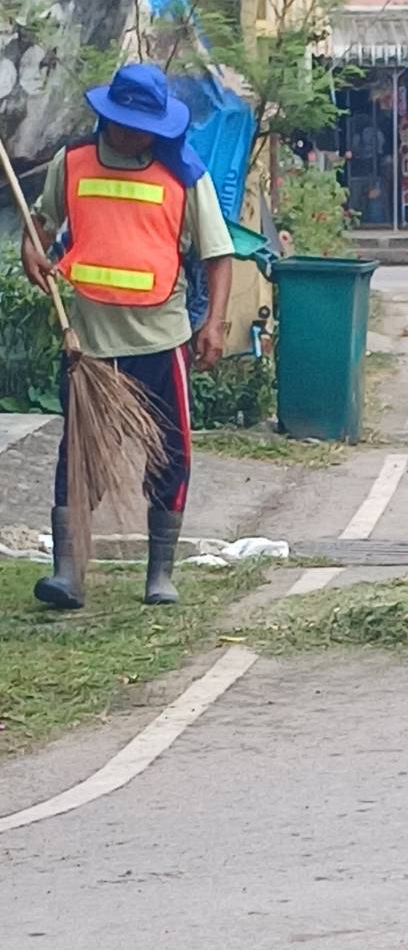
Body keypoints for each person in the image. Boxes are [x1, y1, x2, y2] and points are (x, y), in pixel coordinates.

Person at [21, 63, 233, 611]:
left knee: (169, 455)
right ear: (109, 118)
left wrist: (214, 324)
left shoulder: (185, 176)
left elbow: (218, 255)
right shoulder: (71, 166)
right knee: (80, 456)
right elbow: (40, 225)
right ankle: (68, 573)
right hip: (89, 344)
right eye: (132, 123)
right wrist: (32, 249)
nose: (143, 134)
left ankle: (159, 572)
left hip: (161, 341)